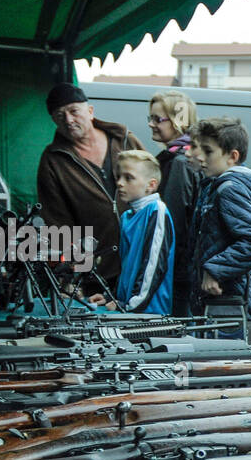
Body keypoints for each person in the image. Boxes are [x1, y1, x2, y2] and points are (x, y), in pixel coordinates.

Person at [36, 83, 144, 287]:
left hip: (142, 261)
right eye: (60, 116)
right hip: (99, 272)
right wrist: (73, 271)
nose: (68, 120)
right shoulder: (53, 160)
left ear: (90, 111)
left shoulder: (124, 140)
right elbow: (56, 221)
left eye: (74, 111)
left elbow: (153, 187)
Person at [187, 117, 251, 338]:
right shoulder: (213, 186)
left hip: (226, 305)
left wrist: (215, 269)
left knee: (220, 367)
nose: (200, 157)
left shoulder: (229, 189)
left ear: (232, 156)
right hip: (212, 303)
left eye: (208, 151)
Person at [88, 150, 173, 314]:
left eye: (129, 178)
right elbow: (126, 266)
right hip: (129, 310)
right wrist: (110, 296)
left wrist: (128, 306)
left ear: (151, 185)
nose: (120, 183)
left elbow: (153, 265)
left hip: (149, 314)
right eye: (118, 177)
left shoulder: (157, 211)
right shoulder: (127, 216)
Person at [148, 91, 200, 316]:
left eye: (157, 119)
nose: (151, 124)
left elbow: (172, 223)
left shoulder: (179, 162)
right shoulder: (184, 156)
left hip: (177, 271)